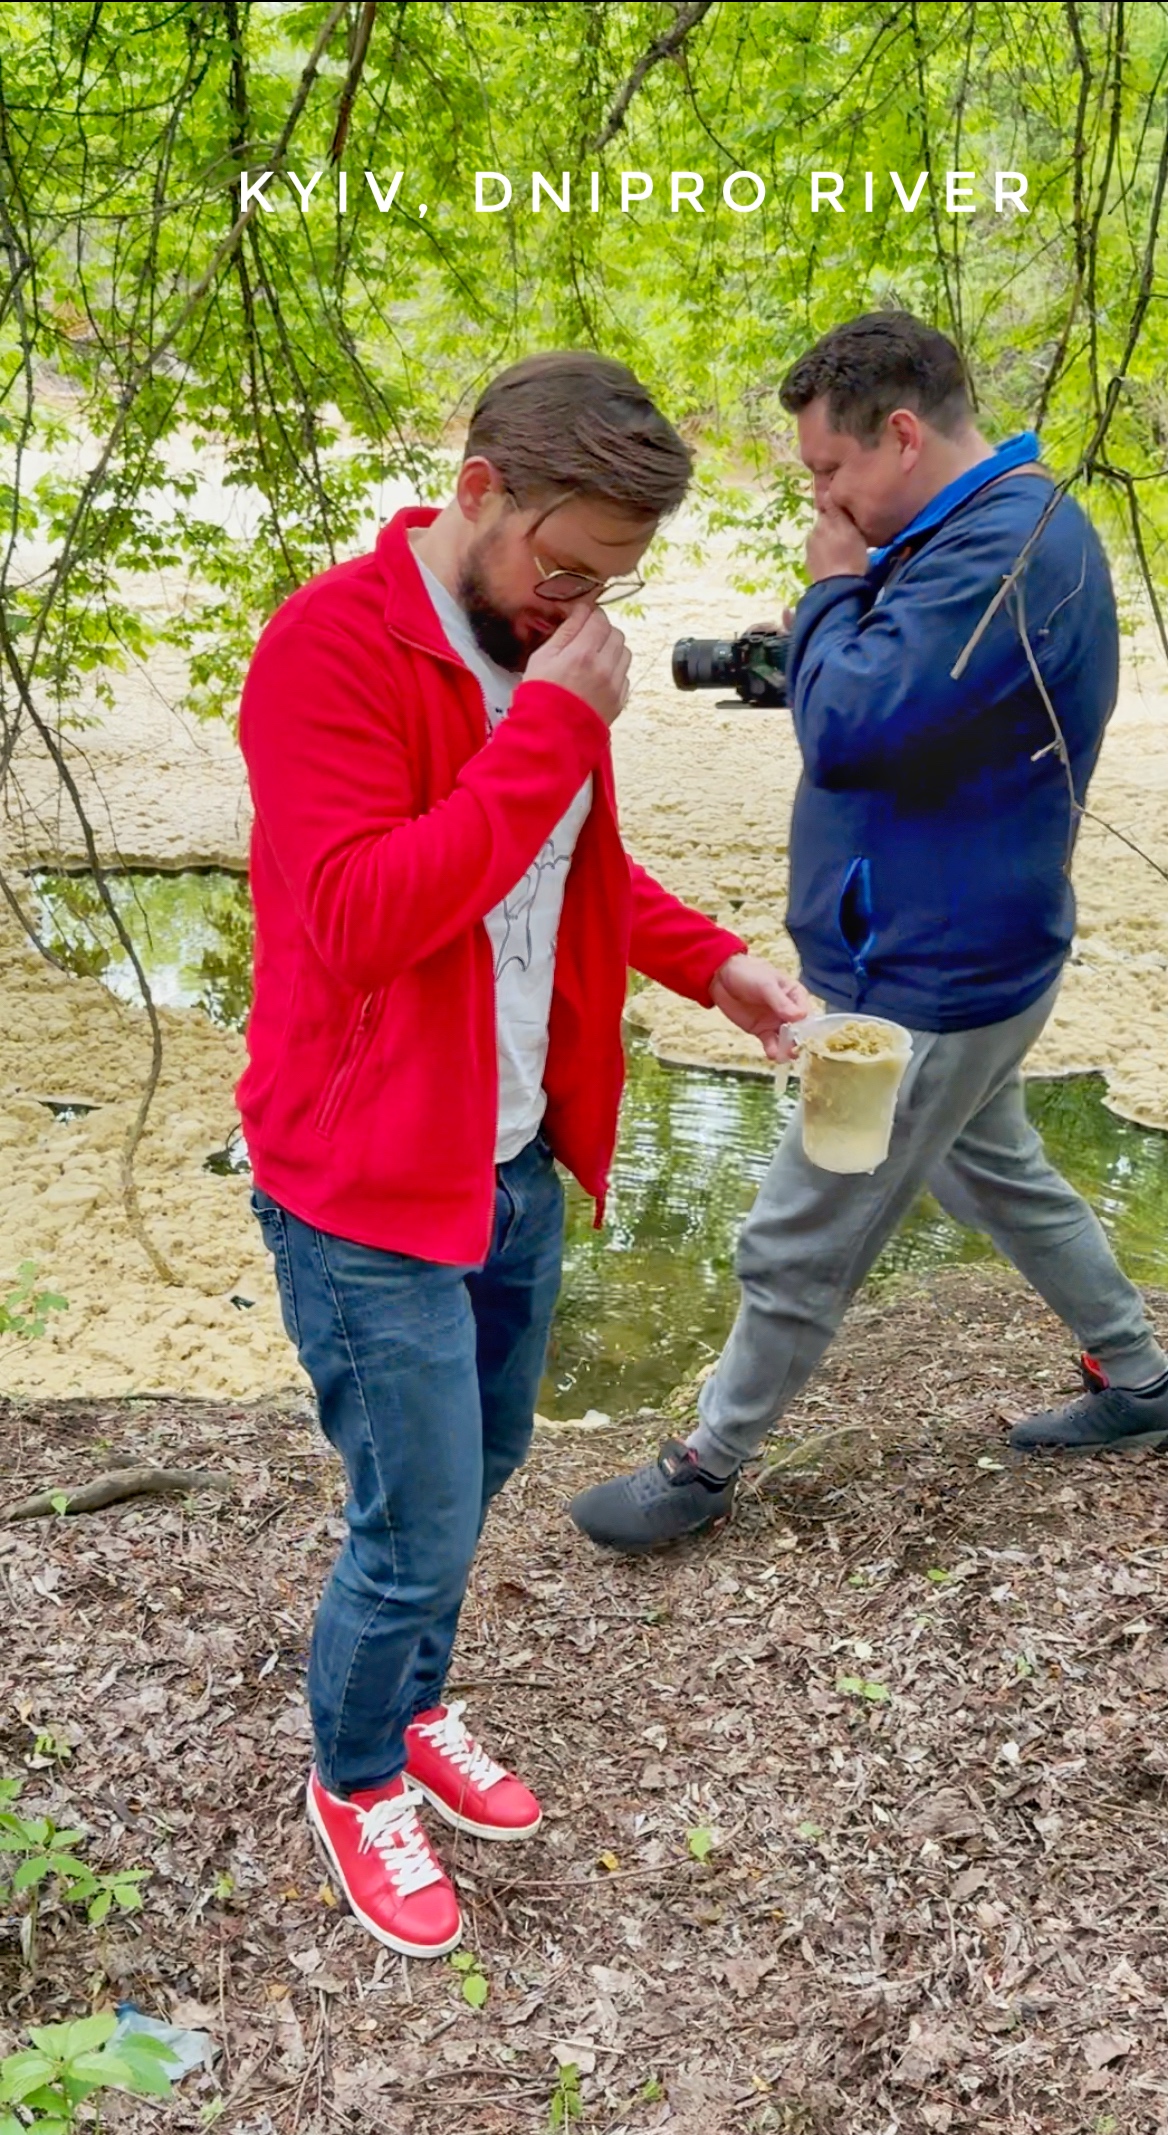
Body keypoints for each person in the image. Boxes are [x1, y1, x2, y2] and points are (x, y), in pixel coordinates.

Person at [236, 349, 812, 1957]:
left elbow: (574, 874)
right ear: (475, 486)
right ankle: (352, 1776)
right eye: (561, 568)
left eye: (609, 583)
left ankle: (412, 1700)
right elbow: (362, 920)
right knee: (412, 1514)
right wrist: (554, 723)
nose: (578, 608)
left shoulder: (541, 652)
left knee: (476, 1477)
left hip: (506, 1160)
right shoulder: (330, 649)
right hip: (360, 1175)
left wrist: (720, 967)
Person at [570, 311, 1168, 1556]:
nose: (824, 494)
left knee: (797, 1231)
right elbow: (908, 708)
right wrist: (809, 640)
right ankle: (1142, 1383)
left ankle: (703, 1463)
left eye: (829, 470)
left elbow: (856, 727)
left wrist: (826, 586)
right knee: (998, 1171)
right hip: (960, 947)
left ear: (902, 434)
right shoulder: (963, 536)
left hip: (929, 975)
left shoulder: (1007, 549)